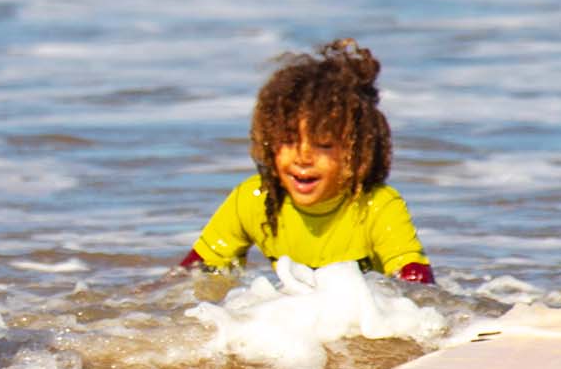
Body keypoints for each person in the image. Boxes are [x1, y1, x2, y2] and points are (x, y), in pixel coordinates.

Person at [178, 39, 435, 283]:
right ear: (269, 141)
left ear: (357, 151)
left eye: (323, 145)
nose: (303, 157)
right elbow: (189, 278)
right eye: (289, 141)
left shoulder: (376, 207)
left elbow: (418, 288)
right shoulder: (255, 200)